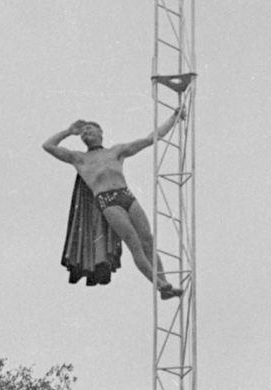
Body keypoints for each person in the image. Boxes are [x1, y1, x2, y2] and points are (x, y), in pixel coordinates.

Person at [43, 107, 186, 297]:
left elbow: (150, 138)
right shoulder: (79, 158)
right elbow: (48, 146)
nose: (86, 132)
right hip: (108, 201)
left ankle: (166, 284)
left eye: (90, 128)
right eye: (83, 131)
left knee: (147, 240)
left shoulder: (116, 151)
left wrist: (174, 118)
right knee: (133, 242)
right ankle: (158, 284)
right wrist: (69, 131)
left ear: (100, 132)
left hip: (126, 195)